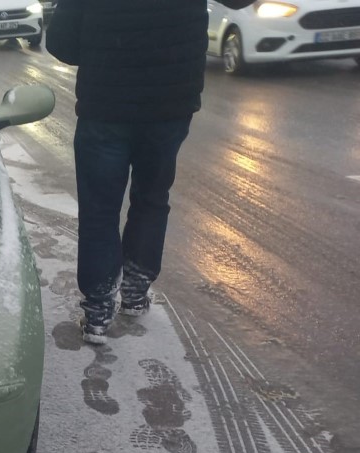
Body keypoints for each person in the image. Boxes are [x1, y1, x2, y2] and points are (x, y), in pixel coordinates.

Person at [47, 0, 254, 345]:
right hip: (169, 104)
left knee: (99, 209)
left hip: (105, 107)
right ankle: (135, 290)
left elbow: (60, 44)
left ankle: (98, 311)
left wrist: (106, 45)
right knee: (152, 196)